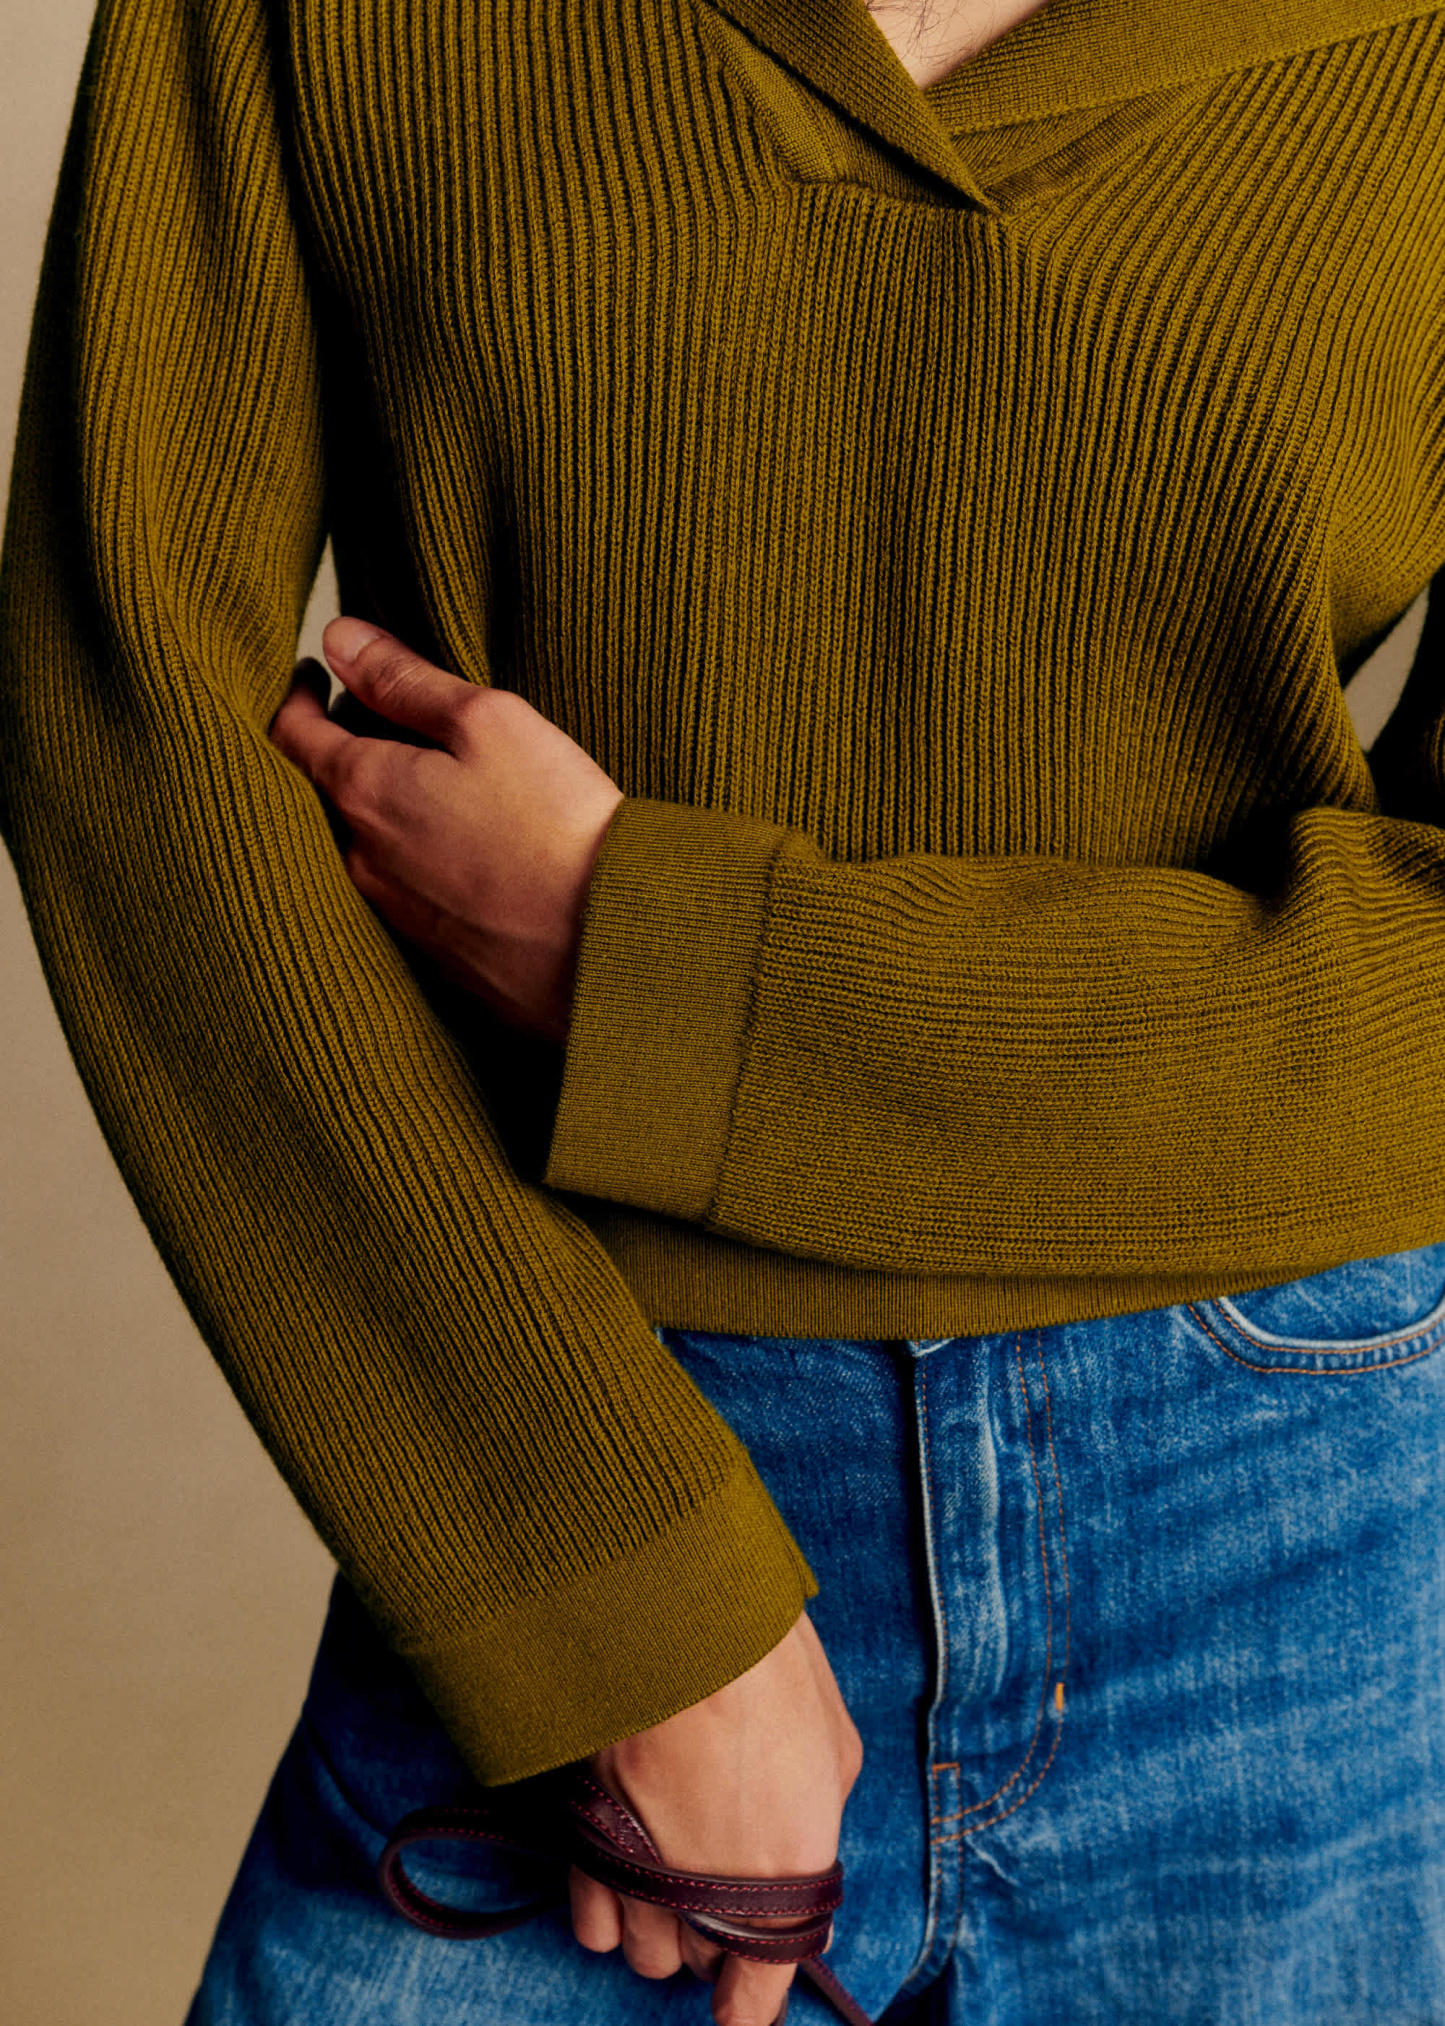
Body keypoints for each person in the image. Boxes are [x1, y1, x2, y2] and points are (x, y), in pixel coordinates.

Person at [3, 0, 1444, 2019]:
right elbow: (124, 709)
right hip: (559, 1387)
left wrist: (661, 967)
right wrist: (615, 1581)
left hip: (1301, 1518)